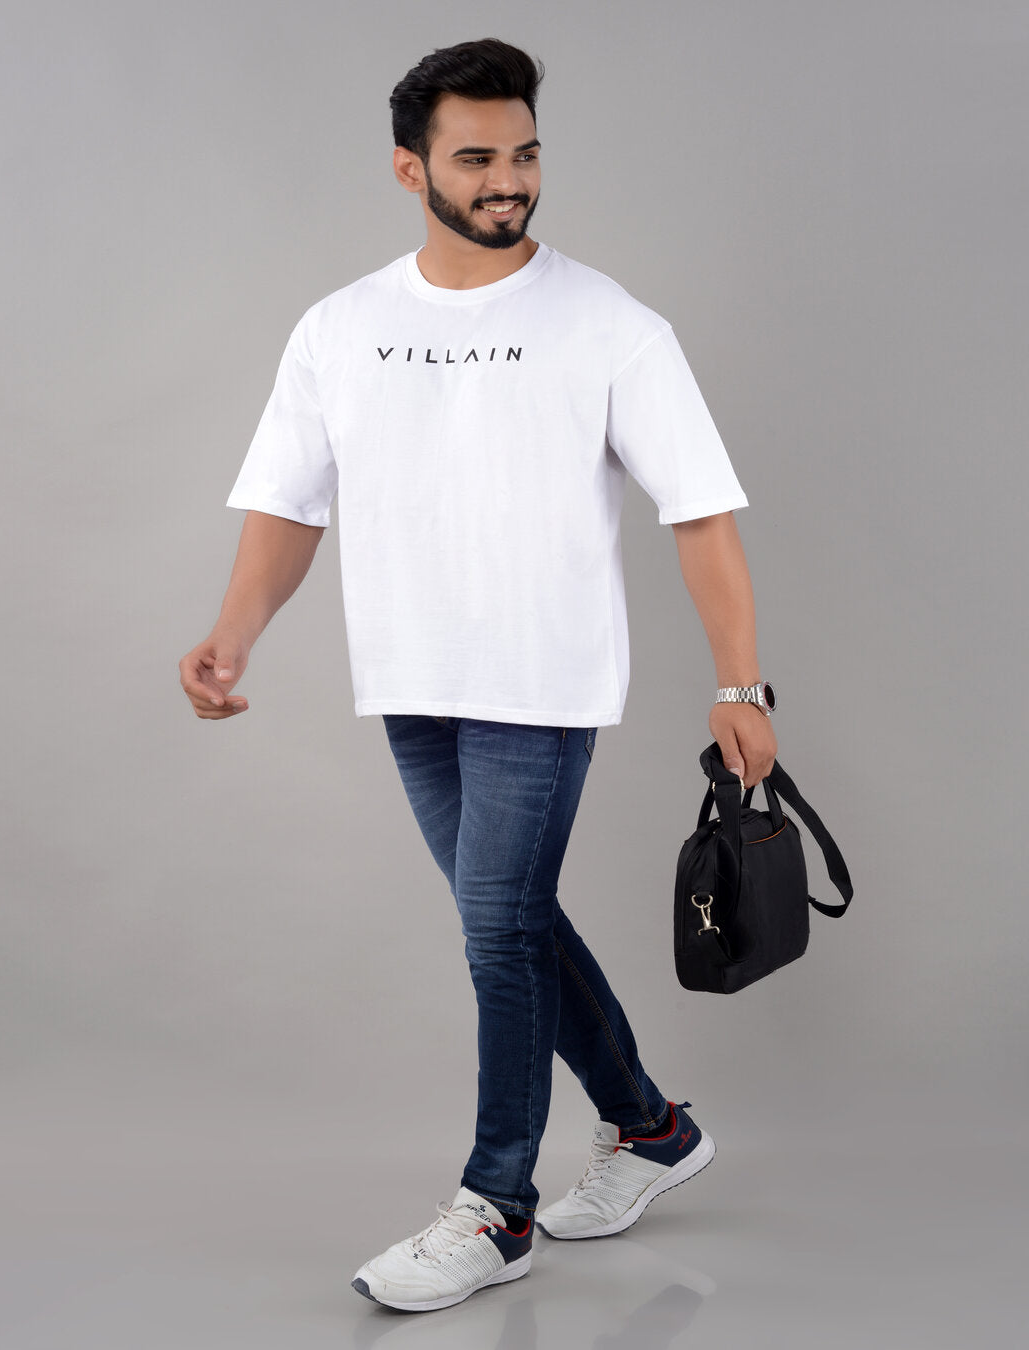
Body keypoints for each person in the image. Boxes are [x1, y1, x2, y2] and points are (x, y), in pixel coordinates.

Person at [178, 37, 777, 1314]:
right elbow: (289, 502)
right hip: (412, 679)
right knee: (512, 920)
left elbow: (701, 510)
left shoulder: (608, 323)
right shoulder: (342, 327)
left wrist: (742, 684)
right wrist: (234, 634)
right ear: (411, 169)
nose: (509, 179)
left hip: (541, 680)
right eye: (476, 158)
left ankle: (497, 1208)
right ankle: (653, 1129)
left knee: (498, 930)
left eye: (525, 153)